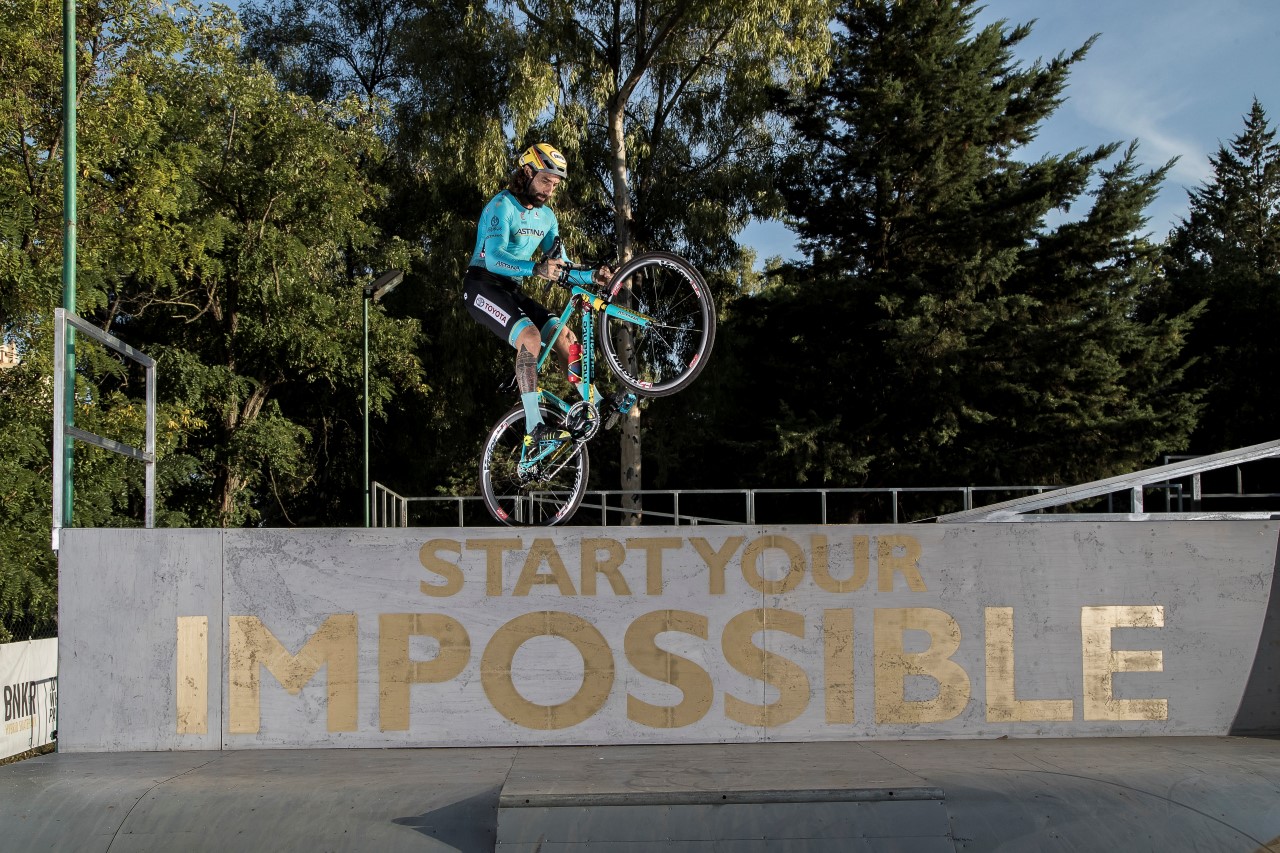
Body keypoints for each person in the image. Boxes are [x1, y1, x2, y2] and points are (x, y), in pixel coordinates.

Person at [462, 143, 613, 462]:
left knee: (565, 337)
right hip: (481, 284)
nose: (549, 190)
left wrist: (592, 276)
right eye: (545, 181)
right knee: (530, 337)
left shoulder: (547, 217)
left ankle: (596, 402)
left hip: (511, 288)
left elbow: (563, 267)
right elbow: (494, 258)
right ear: (527, 172)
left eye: (555, 185)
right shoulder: (501, 205)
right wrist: (536, 268)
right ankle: (534, 427)